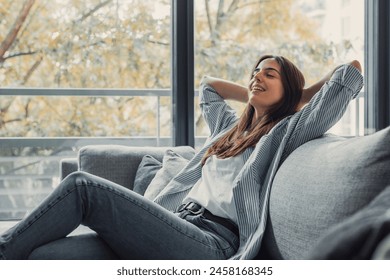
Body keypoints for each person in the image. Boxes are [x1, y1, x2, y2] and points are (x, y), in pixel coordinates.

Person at [0, 55, 363, 260]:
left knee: (83, 188)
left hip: (211, 244)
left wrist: (298, 96)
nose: (257, 77)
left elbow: (350, 71)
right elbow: (208, 85)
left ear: (290, 91)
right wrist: (257, 90)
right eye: (255, 72)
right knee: (46, 256)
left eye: (270, 74)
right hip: (173, 223)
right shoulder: (227, 129)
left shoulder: (284, 132)